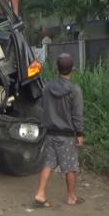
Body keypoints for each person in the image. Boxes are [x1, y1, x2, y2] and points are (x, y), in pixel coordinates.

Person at [34, 53, 84, 207]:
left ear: (57, 69)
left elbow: (43, 107)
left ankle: (40, 193)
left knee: (49, 163)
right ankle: (71, 197)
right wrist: (80, 134)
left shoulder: (47, 87)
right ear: (73, 69)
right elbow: (77, 115)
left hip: (50, 133)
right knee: (70, 166)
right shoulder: (74, 90)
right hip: (67, 135)